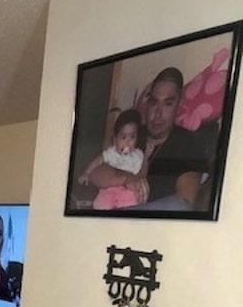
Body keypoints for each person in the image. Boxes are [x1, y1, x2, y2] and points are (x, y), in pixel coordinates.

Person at [87, 67, 209, 211]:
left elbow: (184, 203)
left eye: (168, 103)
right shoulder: (132, 133)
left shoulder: (188, 143)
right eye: (153, 102)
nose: (157, 113)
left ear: (179, 106)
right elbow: (95, 173)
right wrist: (127, 179)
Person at [78, 108, 144, 210]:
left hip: (127, 192)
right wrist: (87, 172)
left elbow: (141, 174)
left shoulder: (137, 155)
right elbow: (98, 160)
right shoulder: (111, 153)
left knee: (133, 201)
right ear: (115, 139)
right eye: (123, 137)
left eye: (132, 137)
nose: (128, 142)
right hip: (109, 189)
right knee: (101, 204)